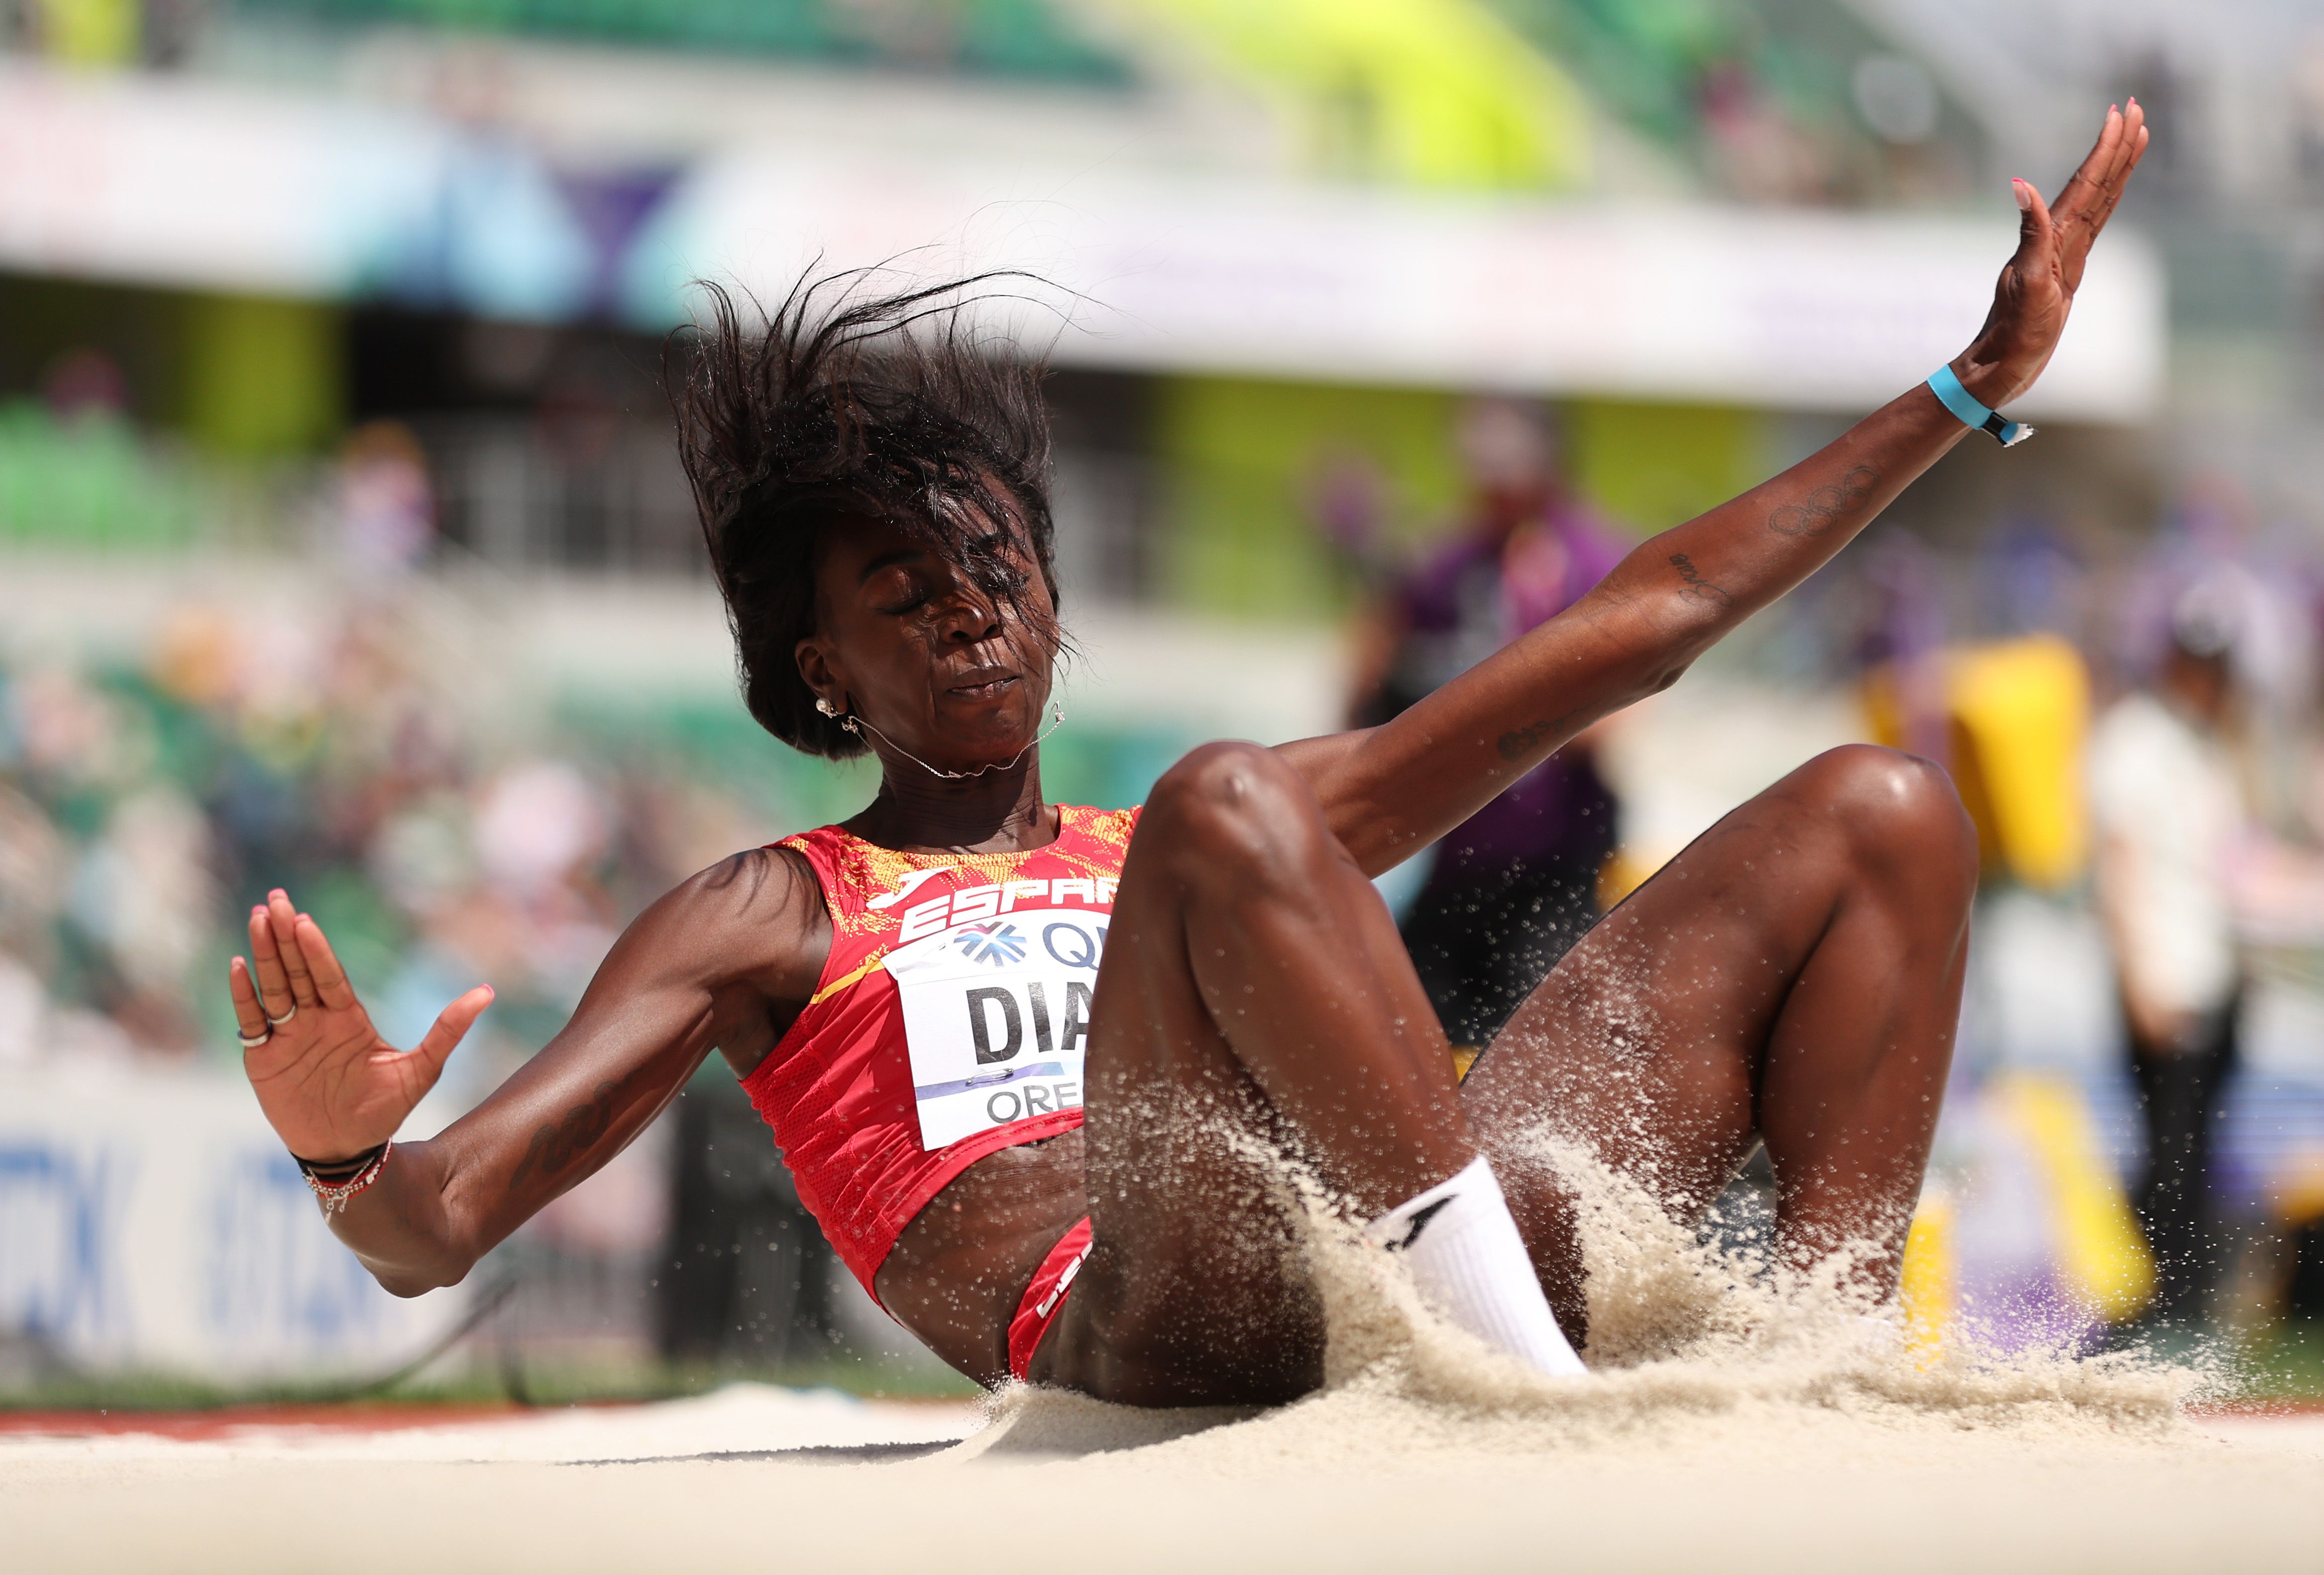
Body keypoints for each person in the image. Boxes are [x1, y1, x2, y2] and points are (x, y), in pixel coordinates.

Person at [229, 107, 2148, 1404]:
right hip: (1138, 1308)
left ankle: (1822, 1375)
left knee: (1873, 808)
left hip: (1391, 1225)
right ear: (819, 669)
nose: (969, 603)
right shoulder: (769, 908)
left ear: (1057, 607)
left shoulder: (1190, 828)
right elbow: (437, 1226)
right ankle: (1543, 1414)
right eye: (904, 589)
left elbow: (1640, 617)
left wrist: (1956, 395)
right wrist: (343, 1143)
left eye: (995, 565)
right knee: (1233, 804)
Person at [1348, 397, 1626, 1050]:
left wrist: (1496, 705)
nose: (1487, 476)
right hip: (1460, 855)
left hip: (1554, 859)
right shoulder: (1447, 561)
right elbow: (1367, 676)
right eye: (1479, 457)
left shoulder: (1588, 556)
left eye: (1505, 458)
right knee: (1395, 1033)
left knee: (1543, 1055)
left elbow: (1617, 720)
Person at [2089, 579, 2248, 1327]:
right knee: (2168, 1150)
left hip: (2213, 970)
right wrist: (2138, 979)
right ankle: (2160, 1307)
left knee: (2195, 1149)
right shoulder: (2134, 739)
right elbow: (2118, 870)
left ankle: (2182, 1304)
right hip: (2167, 975)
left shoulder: (2201, 743)